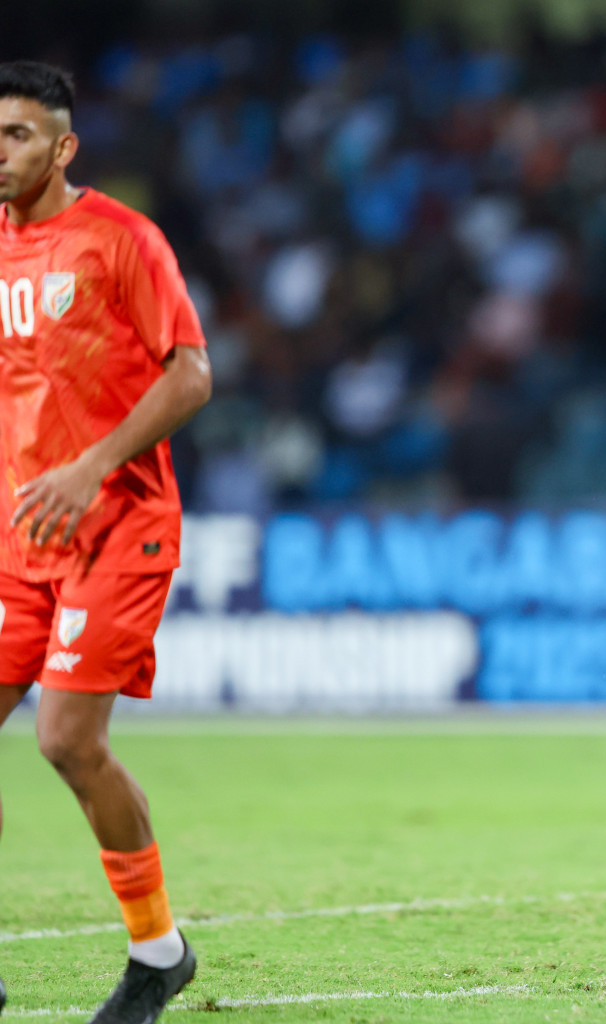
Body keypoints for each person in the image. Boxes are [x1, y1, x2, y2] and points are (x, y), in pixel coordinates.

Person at [0, 60, 211, 1023]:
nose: (3, 153)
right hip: (19, 532)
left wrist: (88, 466)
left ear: (63, 145)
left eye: (20, 136)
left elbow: (192, 375)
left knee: (66, 740)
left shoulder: (122, 240)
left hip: (118, 524)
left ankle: (157, 952)